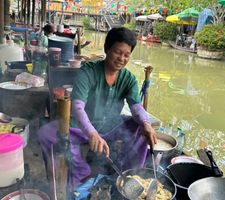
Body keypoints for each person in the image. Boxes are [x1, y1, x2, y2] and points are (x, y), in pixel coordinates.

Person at [38, 27, 157, 185]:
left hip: (112, 126)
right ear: (106, 48)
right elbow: (77, 107)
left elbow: (136, 106)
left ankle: (129, 172)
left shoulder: (129, 78)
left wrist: (146, 123)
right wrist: (91, 133)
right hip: (83, 128)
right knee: (46, 132)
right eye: (117, 52)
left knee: (142, 127)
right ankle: (79, 170)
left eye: (126, 55)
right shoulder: (87, 71)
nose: (121, 58)